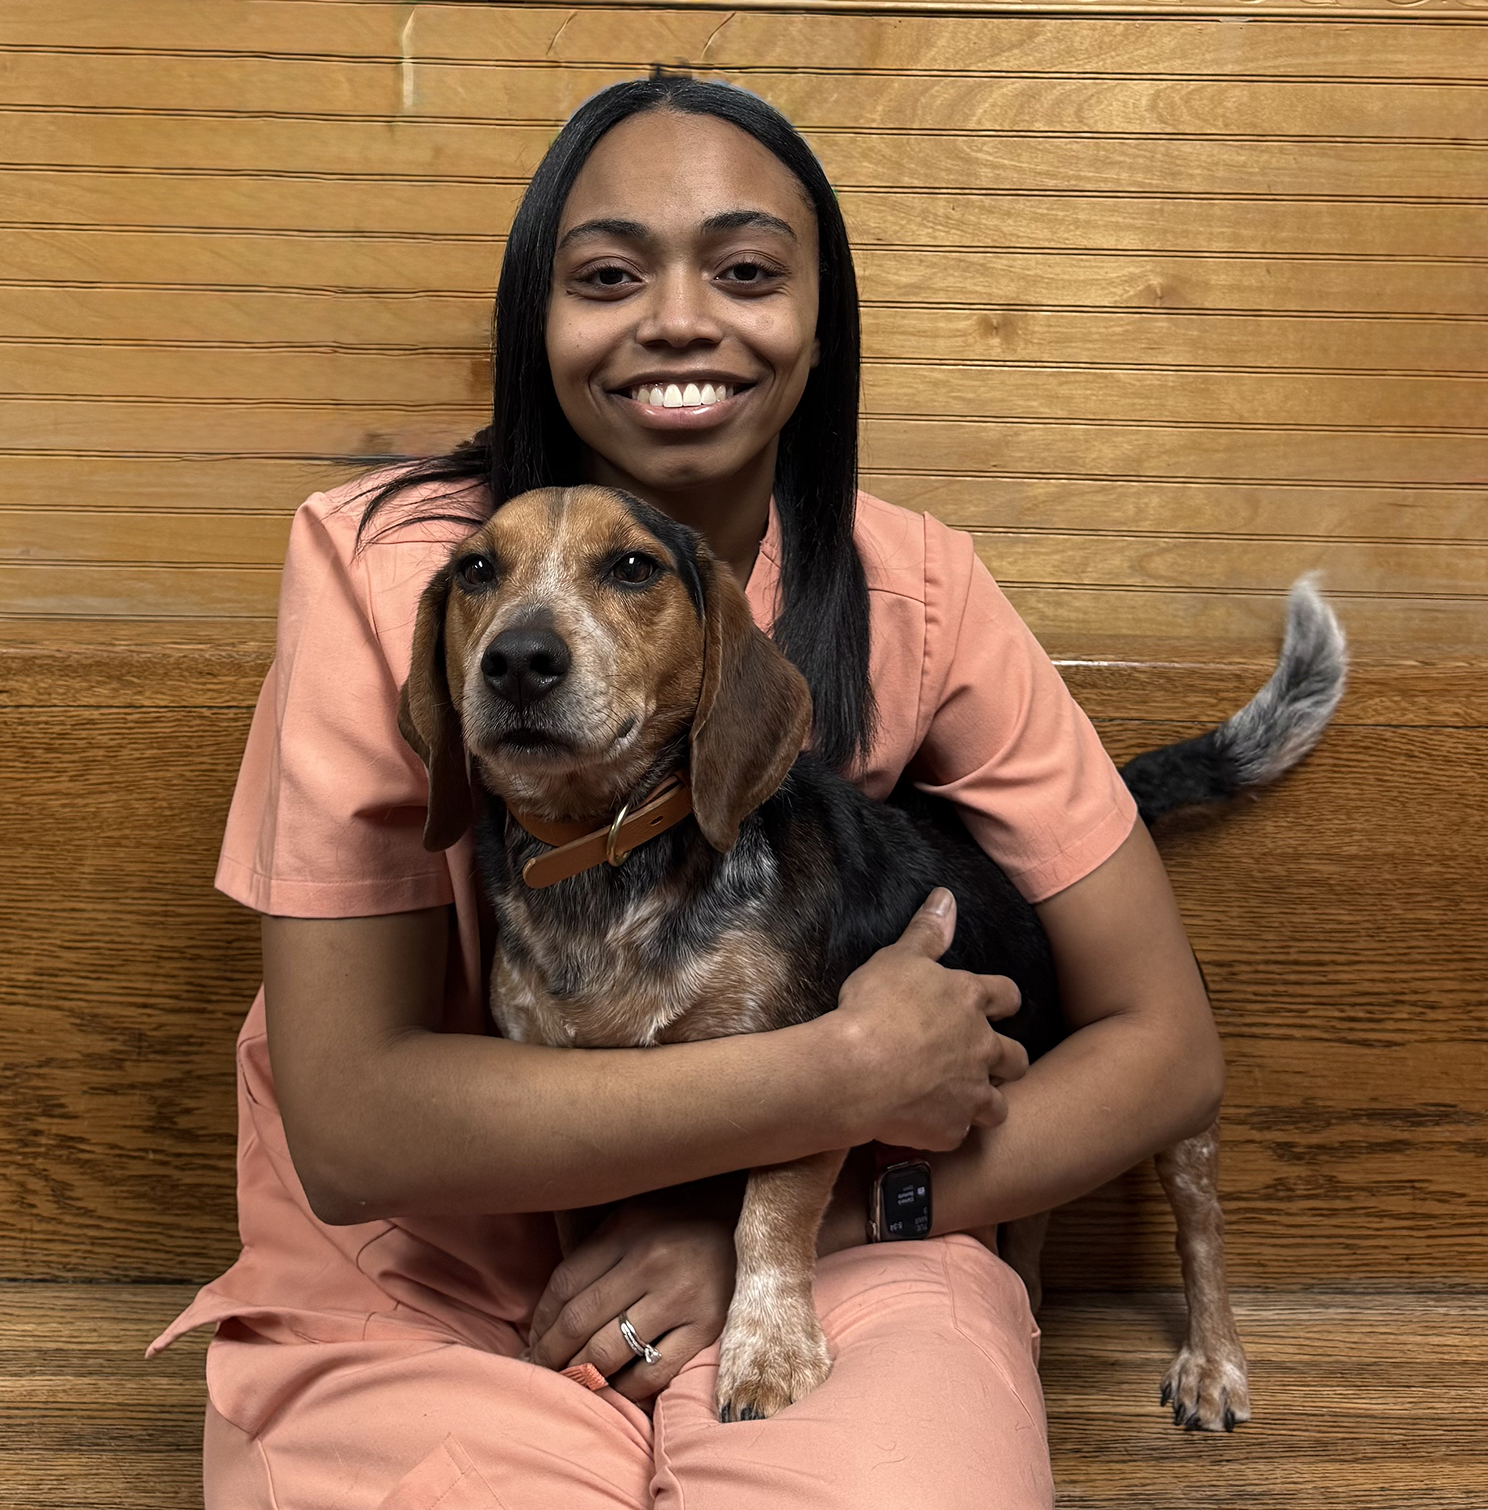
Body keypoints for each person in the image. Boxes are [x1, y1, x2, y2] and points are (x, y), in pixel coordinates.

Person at [150, 77, 1222, 1509]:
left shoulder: (915, 585)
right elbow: (349, 1127)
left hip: (827, 1242)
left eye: (748, 271)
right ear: (536, 322)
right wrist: (838, 1074)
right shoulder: (387, 564)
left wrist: (816, 1215)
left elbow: (1165, 1048)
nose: (676, 319)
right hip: (426, 1273)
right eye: (606, 276)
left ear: (821, 328)